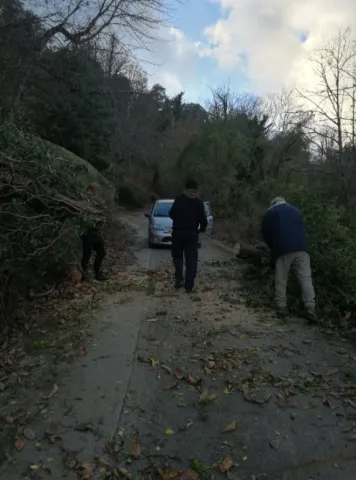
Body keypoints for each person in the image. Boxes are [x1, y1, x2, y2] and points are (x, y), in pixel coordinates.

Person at [261, 197, 317, 322]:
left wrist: (272, 247)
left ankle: (282, 307)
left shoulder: (272, 212)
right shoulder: (296, 210)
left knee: (281, 279)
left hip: (283, 249)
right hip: (302, 249)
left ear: (273, 204)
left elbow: (265, 232)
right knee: (306, 278)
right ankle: (310, 308)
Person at [169, 179, 208, 293]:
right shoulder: (198, 202)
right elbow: (203, 220)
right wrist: (202, 229)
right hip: (192, 234)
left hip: (178, 232)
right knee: (191, 259)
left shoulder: (179, 199)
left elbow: (171, 214)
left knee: (177, 256)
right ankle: (189, 286)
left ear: (186, 188)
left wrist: (178, 219)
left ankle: (179, 279)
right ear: (196, 189)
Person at [81, 184, 106, 281]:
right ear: (90, 190)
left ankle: (97, 273)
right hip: (87, 232)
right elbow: (86, 215)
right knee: (87, 253)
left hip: (95, 231)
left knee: (101, 252)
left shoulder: (94, 201)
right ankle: (84, 273)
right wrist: (98, 215)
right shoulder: (84, 199)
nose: (98, 193)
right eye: (96, 191)